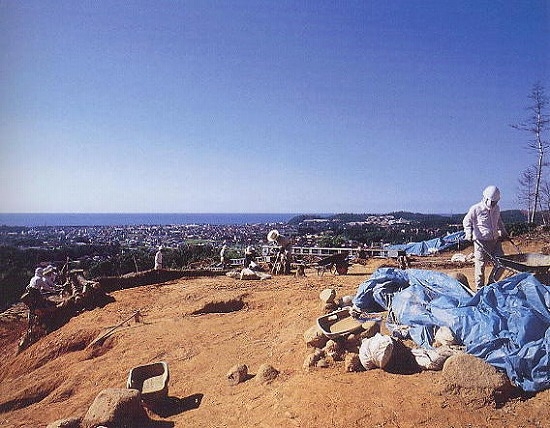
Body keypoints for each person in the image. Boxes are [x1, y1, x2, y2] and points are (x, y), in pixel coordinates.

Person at [463, 185, 508, 289]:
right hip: (481, 242)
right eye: (492, 202)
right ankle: (480, 289)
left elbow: (499, 221)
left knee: (502, 263)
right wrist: (468, 233)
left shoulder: (497, 208)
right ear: (486, 198)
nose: (494, 204)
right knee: (480, 267)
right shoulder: (476, 209)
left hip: (495, 241)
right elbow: (466, 221)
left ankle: (491, 284)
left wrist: (503, 231)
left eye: (495, 202)